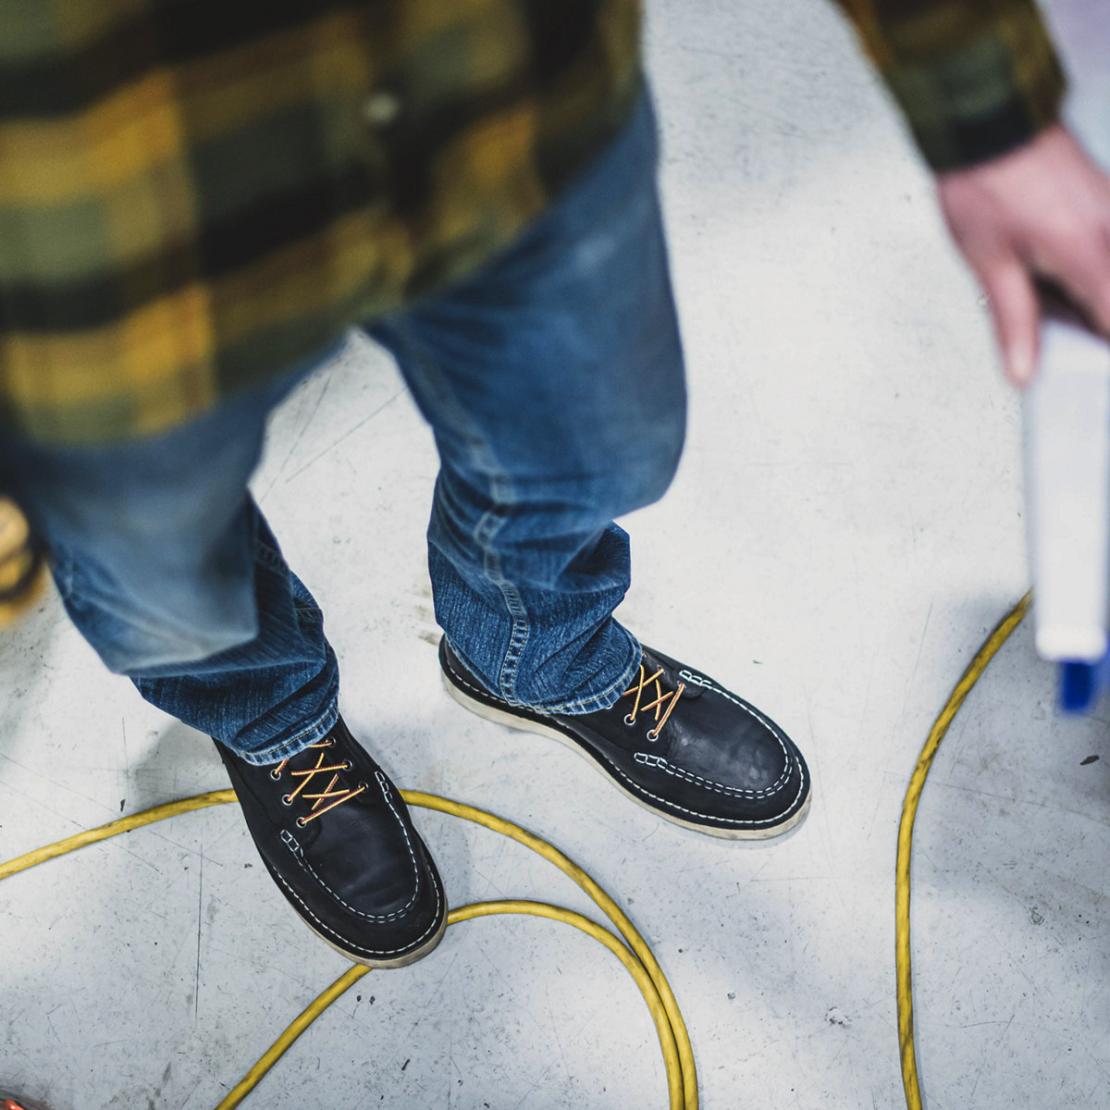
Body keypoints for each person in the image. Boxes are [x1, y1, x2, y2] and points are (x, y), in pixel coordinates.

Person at [1, 0, 1107, 970]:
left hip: (499, 96)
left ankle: (540, 659)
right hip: (93, 224)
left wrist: (984, 101)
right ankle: (276, 725)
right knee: (166, 583)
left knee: (596, 442)